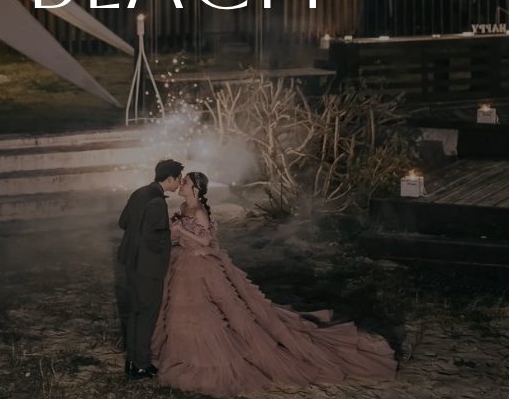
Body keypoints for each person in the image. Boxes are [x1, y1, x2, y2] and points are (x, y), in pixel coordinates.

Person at [152, 172, 399, 397]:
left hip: (201, 265)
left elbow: (205, 241)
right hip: (183, 263)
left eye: (184, 183)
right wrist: (172, 231)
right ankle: (188, 354)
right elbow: (179, 233)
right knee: (184, 313)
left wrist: (181, 231)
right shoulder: (184, 206)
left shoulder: (200, 212)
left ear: (195, 188)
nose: (181, 186)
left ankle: (215, 357)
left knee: (218, 313)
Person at [115, 158, 184, 379]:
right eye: (179, 179)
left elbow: (123, 222)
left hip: (131, 263)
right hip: (148, 267)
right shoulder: (157, 202)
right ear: (170, 178)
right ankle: (142, 365)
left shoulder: (140, 192)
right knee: (146, 315)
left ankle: (134, 362)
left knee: (135, 312)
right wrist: (171, 231)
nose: (179, 183)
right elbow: (151, 239)